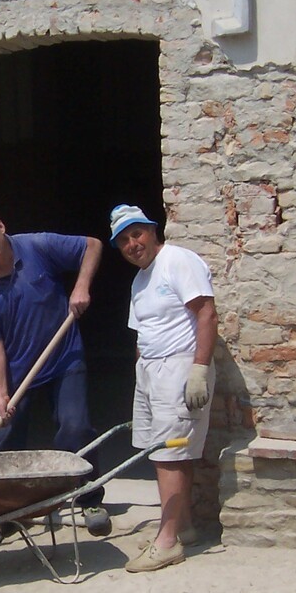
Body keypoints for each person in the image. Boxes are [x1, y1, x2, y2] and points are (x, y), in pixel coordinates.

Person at [0, 207, 111, 545]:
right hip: (17, 370)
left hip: (63, 356)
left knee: (76, 426)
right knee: (5, 439)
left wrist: (81, 287)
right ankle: (5, 516)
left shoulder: (37, 246)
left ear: (1, 226)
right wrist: (1, 392)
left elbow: (93, 245)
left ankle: (88, 499)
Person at [109, 204, 219, 573]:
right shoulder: (140, 280)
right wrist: (141, 370)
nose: (132, 243)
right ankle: (182, 527)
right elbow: (140, 331)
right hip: (151, 370)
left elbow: (206, 311)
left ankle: (167, 542)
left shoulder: (177, 260)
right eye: (123, 240)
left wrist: (199, 369)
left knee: (171, 454)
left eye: (136, 233)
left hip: (179, 366)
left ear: (153, 231)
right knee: (161, 451)